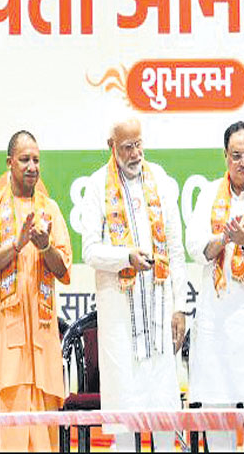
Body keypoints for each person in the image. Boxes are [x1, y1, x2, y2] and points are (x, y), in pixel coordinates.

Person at [81, 117, 188, 452]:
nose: (135, 153)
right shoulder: (97, 186)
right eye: (127, 147)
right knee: (124, 414)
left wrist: (180, 307)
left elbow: (175, 249)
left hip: (159, 315)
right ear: (111, 146)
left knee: (164, 410)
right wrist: (125, 257)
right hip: (120, 320)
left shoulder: (162, 181)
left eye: (139, 144)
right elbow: (89, 251)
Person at [0, 130, 72, 452]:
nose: (32, 166)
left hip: (41, 340)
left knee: (44, 427)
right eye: (25, 159)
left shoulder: (51, 210)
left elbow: (63, 269)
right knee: (8, 422)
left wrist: (45, 247)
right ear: (9, 163)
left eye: (36, 160)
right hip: (6, 337)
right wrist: (16, 245)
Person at [185, 120, 244, 451]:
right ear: (225, 156)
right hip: (216, 319)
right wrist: (224, 238)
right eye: (236, 155)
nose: (243, 162)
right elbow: (195, 247)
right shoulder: (210, 193)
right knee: (215, 406)